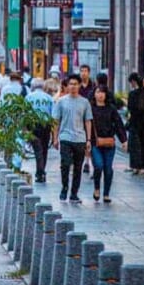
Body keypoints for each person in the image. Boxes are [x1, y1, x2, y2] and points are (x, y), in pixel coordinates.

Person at [52, 73, 93, 204]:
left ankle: (74, 193)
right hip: (65, 137)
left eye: (75, 84)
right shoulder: (61, 102)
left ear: (80, 85)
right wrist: (55, 138)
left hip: (80, 139)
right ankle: (64, 188)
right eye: (71, 84)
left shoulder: (85, 102)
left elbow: (88, 121)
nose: (73, 86)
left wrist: (88, 140)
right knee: (65, 164)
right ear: (67, 86)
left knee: (78, 167)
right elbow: (56, 121)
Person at [90, 85, 127, 203]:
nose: (100, 95)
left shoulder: (111, 109)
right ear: (94, 94)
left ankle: (106, 193)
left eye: (102, 92)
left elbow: (118, 124)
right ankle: (97, 188)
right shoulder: (90, 109)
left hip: (109, 143)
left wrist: (124, 140)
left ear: (106, 95)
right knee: (99, 165)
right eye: (98, 92)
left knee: (108, 168)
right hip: (95, 143)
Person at [25, 78, 53, 183]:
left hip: (33, 125)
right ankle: (41, 171)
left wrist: (25, 129)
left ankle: (40, 172)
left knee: (37, 149)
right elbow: (53, 116)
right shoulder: (49, 98)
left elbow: (25, 113)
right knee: (44, 149)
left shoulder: (28, 97)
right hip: (46, 125)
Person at [127, 73, 144, 174]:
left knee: (135, 146)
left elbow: (131, 108)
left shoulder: (132, 94)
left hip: (135, 123)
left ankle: (136, 166)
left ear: (133, 81)